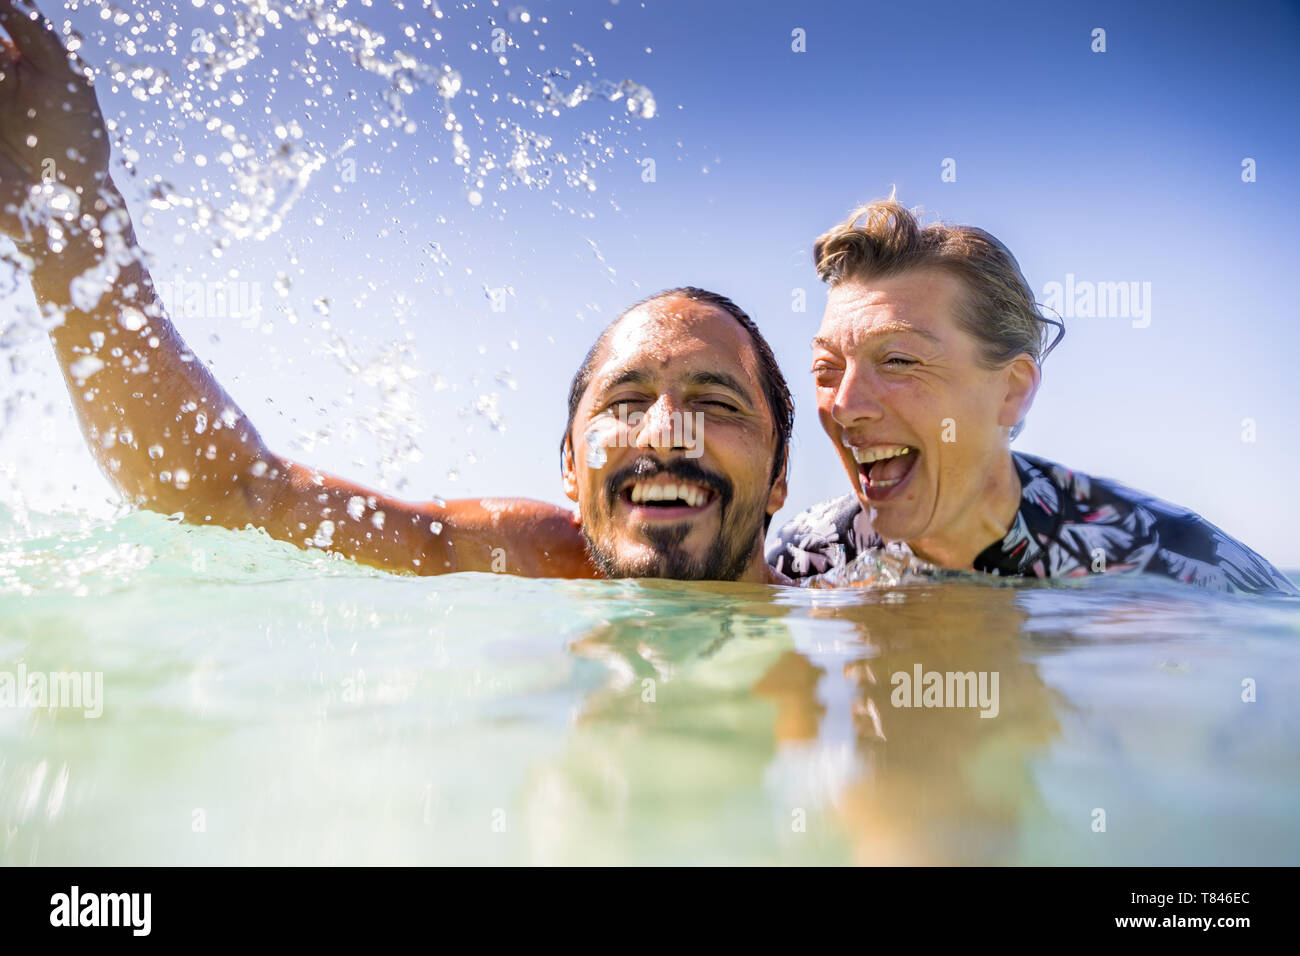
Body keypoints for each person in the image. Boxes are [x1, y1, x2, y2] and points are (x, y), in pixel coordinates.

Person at [0, 0, 794, 584]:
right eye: (624, 402)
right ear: (569, 474)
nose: (666, 431)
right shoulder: (534, 564)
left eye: (718, 404)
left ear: (782, 477)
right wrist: (71, 224)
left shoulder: (869, 610)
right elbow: (225, 491)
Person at [768, 198, 1298, 596]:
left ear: (1011, 391)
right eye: (827, 369)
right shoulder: (811, 556)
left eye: (900, 361)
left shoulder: (1176, 565)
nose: (844, 405)